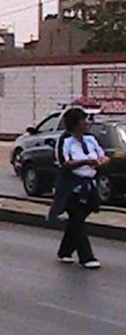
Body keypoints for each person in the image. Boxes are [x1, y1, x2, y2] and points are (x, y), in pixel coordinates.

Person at [52, 108, 106, 269]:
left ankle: (65, 250)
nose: (87, 123)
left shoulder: (90, 139)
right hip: (71, 186)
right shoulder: (65, 140)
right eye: (83, 120)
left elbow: (102, 155)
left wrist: (102, 161)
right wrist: (85, 162)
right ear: (75, 123)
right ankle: (86, 257)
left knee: (79, 217)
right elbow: (64, 163)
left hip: (88, 185)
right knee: (76, 218)